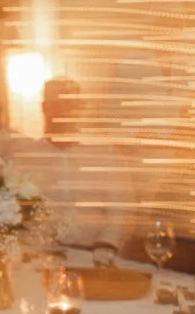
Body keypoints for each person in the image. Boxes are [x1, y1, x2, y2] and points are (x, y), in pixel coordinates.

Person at [12, 75, 134, 257]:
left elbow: (123, 212)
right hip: (41, 258)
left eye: (67, 105)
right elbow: (14, 213)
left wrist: (107, 244)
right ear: (44, 108)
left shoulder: (105, 154)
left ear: (79, 107)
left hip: (95, 255)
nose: (60, 112)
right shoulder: (25, 158)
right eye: (53, 105)